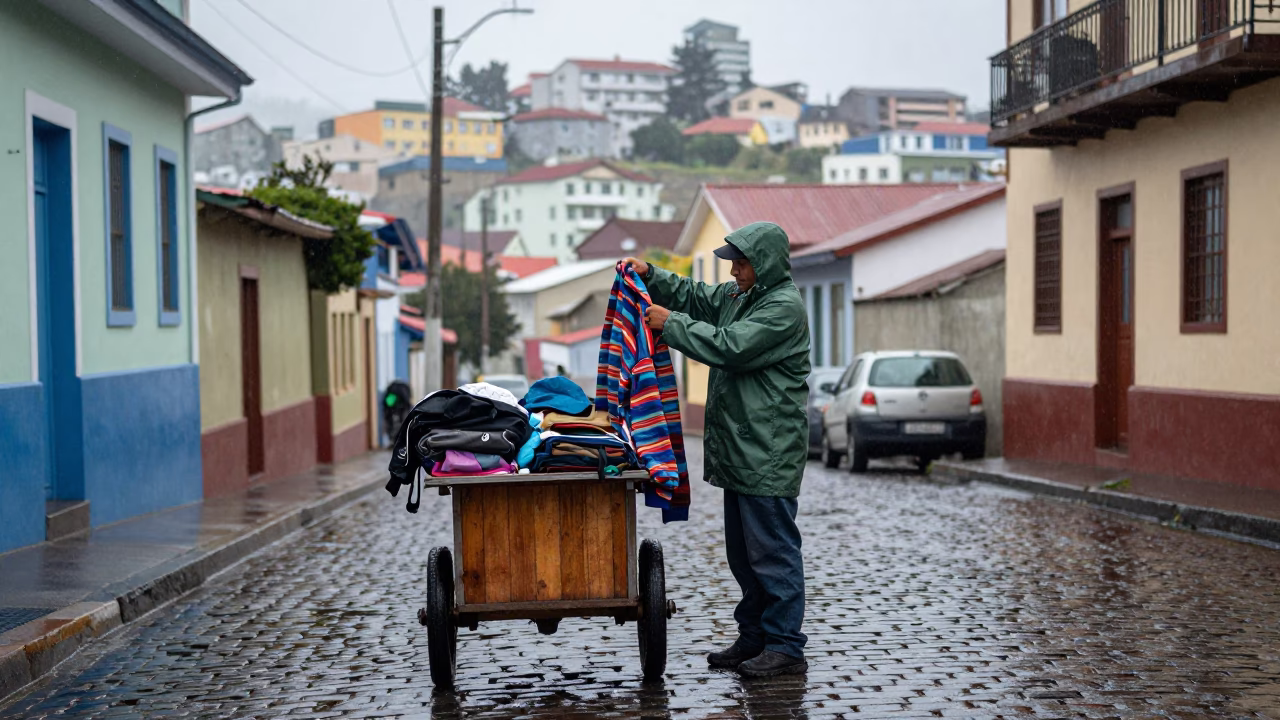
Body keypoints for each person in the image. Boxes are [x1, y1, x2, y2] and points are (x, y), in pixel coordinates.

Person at [623, 221, 811, 678]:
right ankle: (754, 637)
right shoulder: (740, 297)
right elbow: (698, 295)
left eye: (742, 263)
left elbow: (731, 347)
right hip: (741, 451)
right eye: (732, 263)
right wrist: (651, 274)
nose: (734, 271)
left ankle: (785, 646)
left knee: (772, 554)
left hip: (768, 452)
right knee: (743, 556)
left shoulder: (782, 308)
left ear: (763, 264)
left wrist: (673, 325)